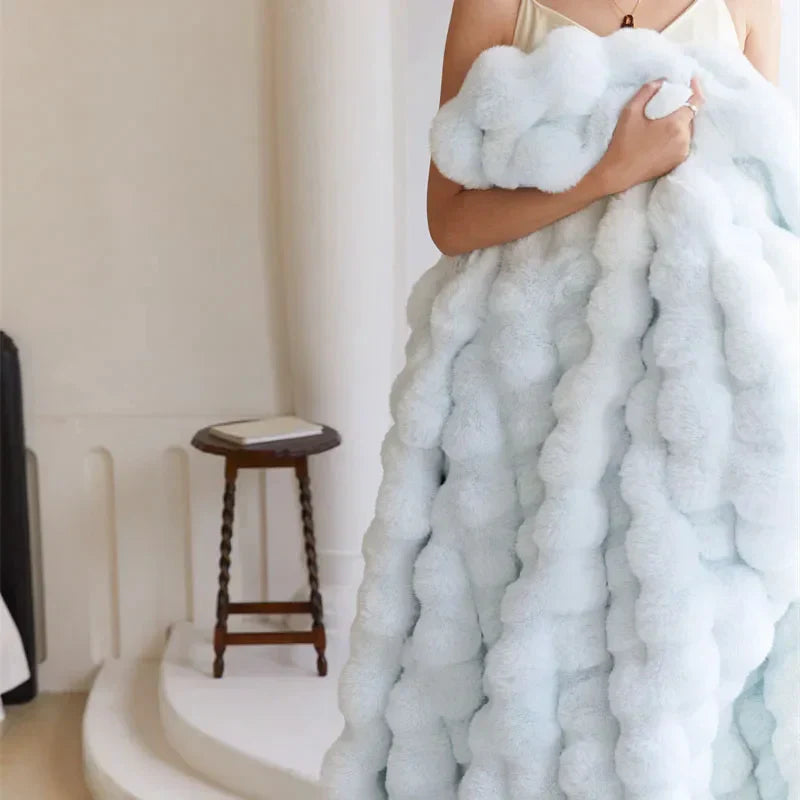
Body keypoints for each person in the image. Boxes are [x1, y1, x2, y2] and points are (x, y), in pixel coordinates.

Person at [428, 0, 781, 256]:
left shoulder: (748, 5)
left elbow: (771, 193)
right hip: (546, 321)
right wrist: (608, 175)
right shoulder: (496, 6)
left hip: (696, 316)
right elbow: (447, 223)